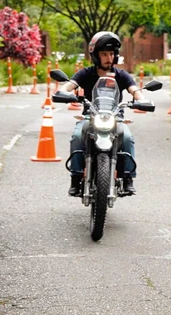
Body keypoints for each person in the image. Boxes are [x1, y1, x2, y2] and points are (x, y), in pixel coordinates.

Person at [58, 31, 143, 196]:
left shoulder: (121, 75)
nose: (109, 58)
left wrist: (141, 99)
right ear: (95, 55)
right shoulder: (86, 73)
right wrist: (64, 92)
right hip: (90, 116)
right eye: (104, 54)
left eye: (111, 54)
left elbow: (135, 91)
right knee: (77, 136)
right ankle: (75, 177)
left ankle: (128, 178)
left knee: (126, 137)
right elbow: (69, 86)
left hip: (114, 117)